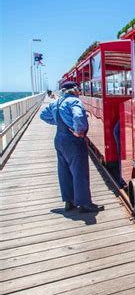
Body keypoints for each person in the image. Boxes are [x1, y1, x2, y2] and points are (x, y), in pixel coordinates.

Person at [40, 81, 104, 212]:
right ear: (73, 90)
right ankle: (85, 203)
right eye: (78, 89)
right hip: (73, 140)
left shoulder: (55, 103)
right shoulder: (74, 101)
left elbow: (43, 116)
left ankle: (69, 202)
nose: (79, 92)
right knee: (79, 171)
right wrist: (78, 131)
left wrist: (59, 123)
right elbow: (79, 116)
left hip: (59, 139)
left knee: (64, 171)